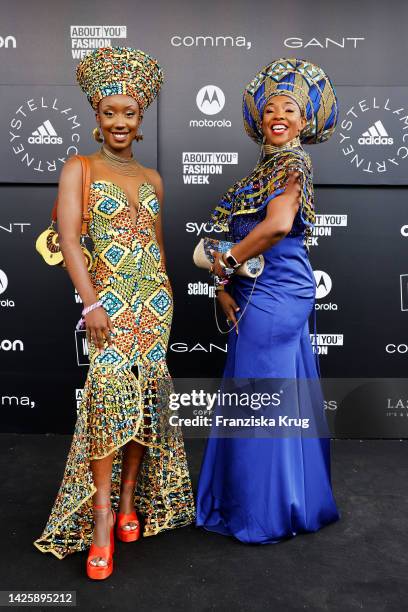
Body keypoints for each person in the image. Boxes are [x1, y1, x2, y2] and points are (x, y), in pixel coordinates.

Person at [34, 46, 195, 579]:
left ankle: (128, 499)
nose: (119, 122)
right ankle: (101, 516)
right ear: (96, 117)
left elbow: (158, 244)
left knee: (144, 404)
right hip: (110, 302)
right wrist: (93, 301)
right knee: (108, 402)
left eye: (129, 112)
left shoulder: (154, 179)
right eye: (110, 112)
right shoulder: (79, 167)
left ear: (140, 118)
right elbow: (69, 239)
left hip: (155, 302)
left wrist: (165, 292)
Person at [196, 58, 340, 544]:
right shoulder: (267, 167)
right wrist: (224, 284)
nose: (278, 115)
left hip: (278, 292)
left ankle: (266, 513)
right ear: (260, 120)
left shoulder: (294, 163)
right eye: (271, 109)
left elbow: (277, 227)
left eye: (290, 109)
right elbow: (242, 236)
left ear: (304, 122)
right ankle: (289, 500)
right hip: (257, 290)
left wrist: (229, 263)